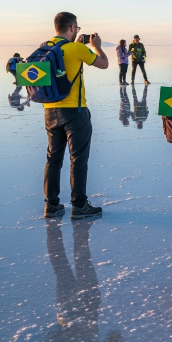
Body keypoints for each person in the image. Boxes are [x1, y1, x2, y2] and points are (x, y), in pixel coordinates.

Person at [43, 12, 110, 219]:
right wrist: (96, 46)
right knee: (78, 159)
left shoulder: (45, 47)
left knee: (53, 159)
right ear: (72, 27)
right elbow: (104, 63)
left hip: (49, 110)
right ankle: (79, 206)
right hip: (75, 112)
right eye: (77, 28)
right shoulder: (76, 48)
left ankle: (51, 205)